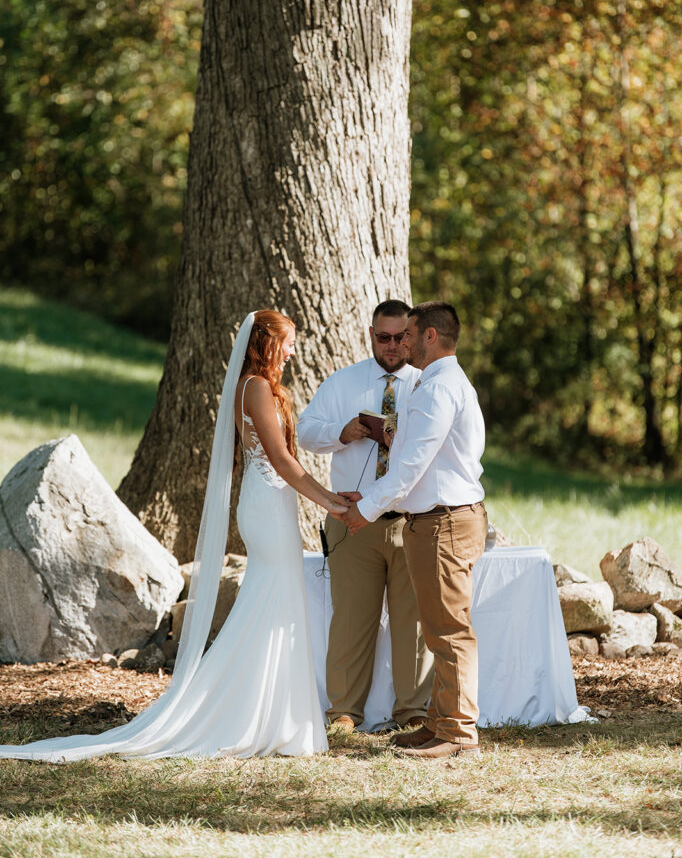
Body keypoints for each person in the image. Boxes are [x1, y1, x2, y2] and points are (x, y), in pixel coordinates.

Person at [0, 310, 347, 761]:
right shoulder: (256, 387)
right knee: (274, 600)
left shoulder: (262, 387)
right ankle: (253, 715)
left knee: (276, 602)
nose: (295, 350)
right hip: (266, 505)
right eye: (290, 342)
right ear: (267, 343)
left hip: (273, 504)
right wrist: (332, 502)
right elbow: (281, 461)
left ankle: (274, 714)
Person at [337, 301, 487, 760]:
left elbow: (411, 465)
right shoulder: (440, 383)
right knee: (437, 627)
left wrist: (367, 507)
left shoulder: (440, 389)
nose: (400, 343)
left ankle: (458, 734)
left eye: (408, 335)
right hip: (433, 520)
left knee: (448, 631)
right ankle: (439, 723)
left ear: (429, 337)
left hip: (443, 521)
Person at [298, 300, 433, 732]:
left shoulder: (427, 386)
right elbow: (303, 432)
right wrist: (342, 432)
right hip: (353, 521)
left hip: (411, 519)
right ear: (370, 334)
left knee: (414, 623)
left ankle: (413, 712)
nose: (392, 346)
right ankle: (343, 712)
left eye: (401, 338)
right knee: (352, 619)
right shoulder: (343, 382)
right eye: (383, 337)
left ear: (411, 336)